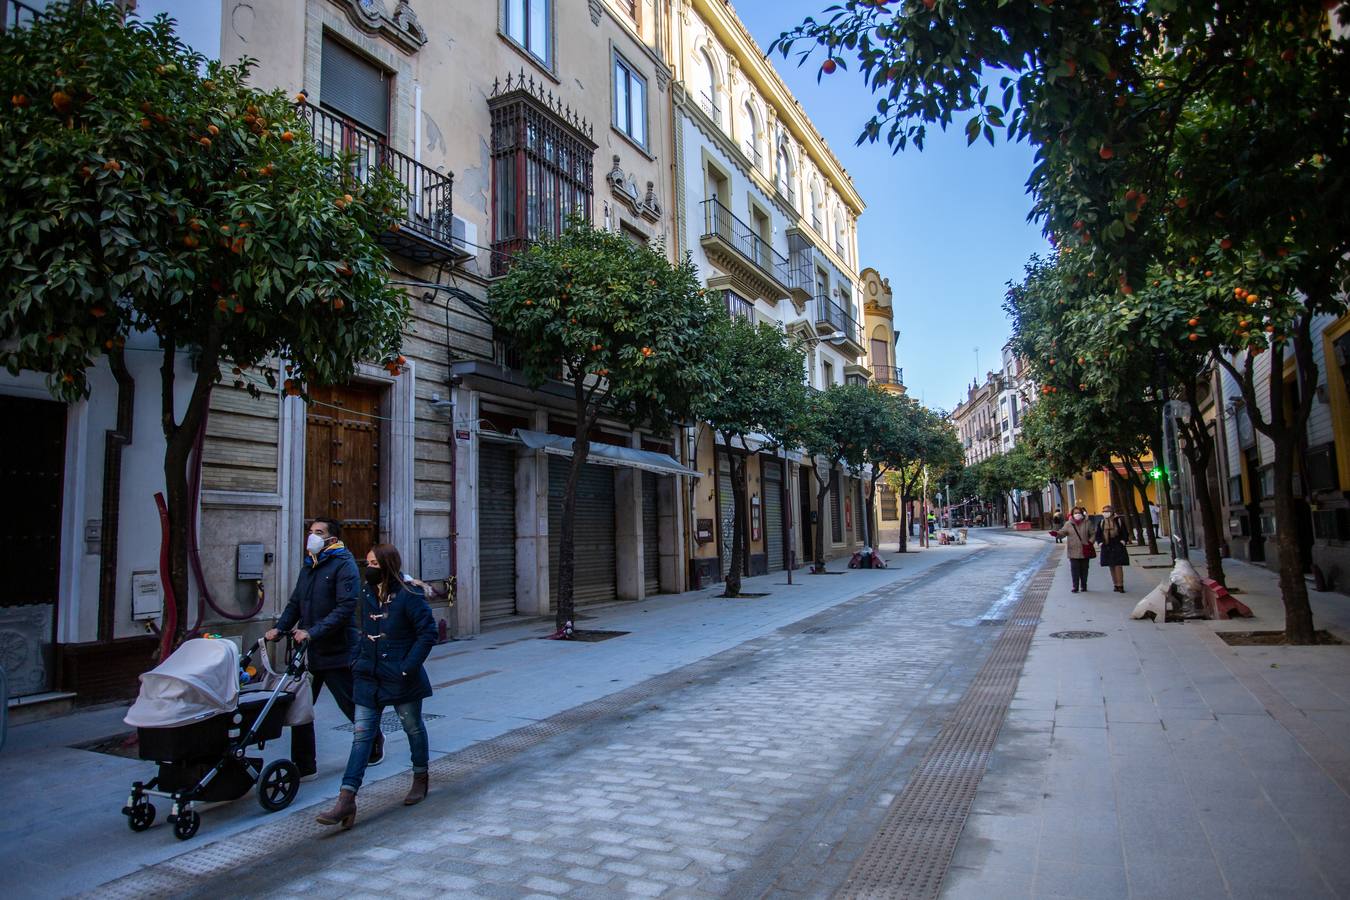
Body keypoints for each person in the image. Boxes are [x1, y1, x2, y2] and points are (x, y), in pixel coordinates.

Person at [316, 542, 437, 829]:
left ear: (388, 565)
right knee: (362, 737)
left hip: (399, 675)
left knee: (412, 726)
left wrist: (407, 667)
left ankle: (420, 777)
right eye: (367, 562)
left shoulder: (409, 595)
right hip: (368, 676)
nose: (368, 568)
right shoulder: (367, 593)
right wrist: (357, 659)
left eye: (373, 564)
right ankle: (346, 799)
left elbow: (427, 633)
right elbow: (363, 629)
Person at [267, 518, 382, 777]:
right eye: (310, 532)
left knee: (350, 704)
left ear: (332, 538)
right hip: (308, 652)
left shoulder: (344, 564)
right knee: (300, 707)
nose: (312, 537)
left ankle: (374, 741)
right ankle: (304, 765)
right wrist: (280, 627)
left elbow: (345, 608)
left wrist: (312, 632)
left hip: (336, 649)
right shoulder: (310, 565)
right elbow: (296, 601)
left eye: (318, 533)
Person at [1096, 504, 1131, 593]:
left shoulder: (1118, 521)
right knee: (1111, 566)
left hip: (1117, 545)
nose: (1105, 513)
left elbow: (1124, 532)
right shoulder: (1101, 522)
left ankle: (1120, 585)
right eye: (1104, 511)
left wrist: (1123, 541)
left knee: (1118, 565)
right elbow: (1098, 534)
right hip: (1106, 545)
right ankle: (1115, 584)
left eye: (1107, 511)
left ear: (1112, 512)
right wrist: (1100, 543)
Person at [1062, 506, 1094, 593]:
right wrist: (1057, 534)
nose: (1077, 515)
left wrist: (1090, 542)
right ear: (1072, 514)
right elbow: (1063, 532)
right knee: (1074, 569)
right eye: (1075, 513)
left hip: (1085, 549)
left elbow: (1092, 534)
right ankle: (1075, 586)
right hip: (1073, 550)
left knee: (1084, 569)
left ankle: (1084, 585)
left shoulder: (1087, 523)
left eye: (1079, 513)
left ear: (1082, 513)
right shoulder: (1068, 524)